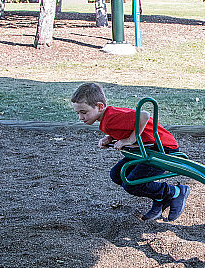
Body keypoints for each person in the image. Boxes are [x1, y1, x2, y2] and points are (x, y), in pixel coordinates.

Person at [71, 83, 190, 222]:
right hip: (144, 149)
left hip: (163, 149)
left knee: (132, 183)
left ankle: (175, 192)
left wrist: (129, 139)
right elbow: (125, 128)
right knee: (117, 174)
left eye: (83, 112)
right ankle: (160, 197)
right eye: (78, 113)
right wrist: (109, 138)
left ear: (99, 106)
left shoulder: (111, 117)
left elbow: (144, 116)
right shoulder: (106, 118)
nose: (80, 117)